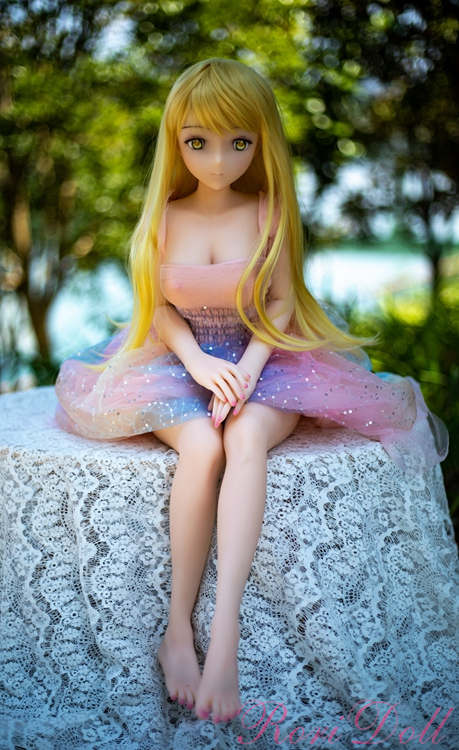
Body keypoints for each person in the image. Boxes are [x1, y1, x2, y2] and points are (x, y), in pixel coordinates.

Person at [55, 58, 448, 725]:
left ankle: (225, 636)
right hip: (176, 364)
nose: (218, 160)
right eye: (198, 142)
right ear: (176, 142)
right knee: (201, 447)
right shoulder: (164, 218)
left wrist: (248, 366)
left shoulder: (268, 212)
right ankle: (176, 630)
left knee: (244, 439)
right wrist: (198, 363)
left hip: (270, 359)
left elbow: (282, 303)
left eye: (239, 142)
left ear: (262, 142)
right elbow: (158, 310)